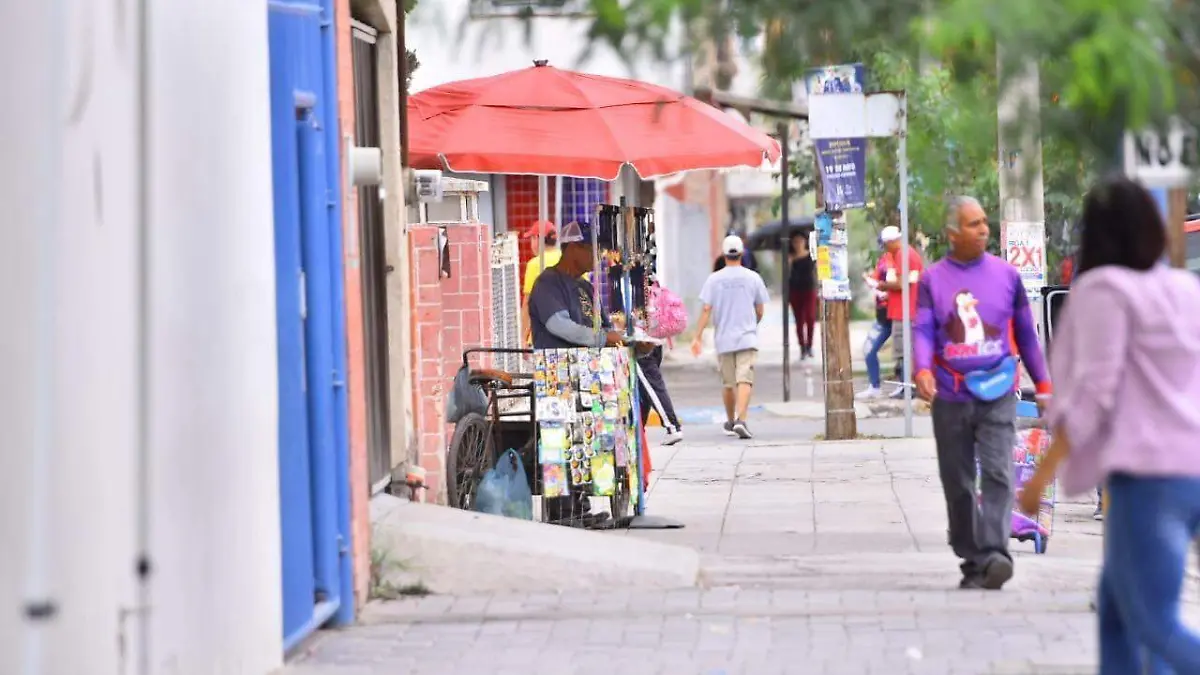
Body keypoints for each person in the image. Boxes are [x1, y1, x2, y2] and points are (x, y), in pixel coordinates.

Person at [1018, 177, 1200, 673]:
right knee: (1117, 614)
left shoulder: (1104, 289)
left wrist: (1040, 476)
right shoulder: (1185, 288)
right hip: (1190, 472)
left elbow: (1096, 394)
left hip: (1149, 478)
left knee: (1153, 621)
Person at [913, 195, 1051, 591]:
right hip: (951, 395)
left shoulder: (1007, 277)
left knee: (997, 472)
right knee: (956, 481)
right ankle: (973, 555)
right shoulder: (932, 280)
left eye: (984, 222)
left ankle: (994, 554)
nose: (984, 229)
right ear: (952, 233)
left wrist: (1044, 385)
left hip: (998, 391)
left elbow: (1026, 333)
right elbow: (923, 329)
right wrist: (922, 369)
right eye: (974, 224)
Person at [527, 220, 623, 526]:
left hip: (586, 377)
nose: (597, 256)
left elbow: (603, 326)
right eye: (592, 249)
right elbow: (559, 325)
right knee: (557, 442)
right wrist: (600, 338)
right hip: (555, 376)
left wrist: (619, 336)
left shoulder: (585, 287)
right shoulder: (547, 284)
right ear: (573, 249)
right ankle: (561, 513)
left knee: (584, 441)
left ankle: (579, 508)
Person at [690, 235, 769, 439]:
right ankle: (741, 420)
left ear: (723, 254)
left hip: (723, 338)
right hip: (747, 337)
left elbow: (707, 309)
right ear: (742, 253)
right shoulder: (753, 278)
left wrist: (697, 336)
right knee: (745, 378)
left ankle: (730, 420)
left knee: (728, 382)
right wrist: (753, 323)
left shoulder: (714, 279)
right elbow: (760, 309)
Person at [876, 225, 924, 398]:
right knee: (903, 351)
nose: (886, 248)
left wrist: (883, 285)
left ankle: (909, 387)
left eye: (886, 244)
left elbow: (903, 284)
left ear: (892, 241)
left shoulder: (906, 255)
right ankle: (906, 385)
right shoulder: (899, 255)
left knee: (905, 351)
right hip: (900, 310)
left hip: (907, 312)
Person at [857, 246, 893, 399]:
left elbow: (891, 287)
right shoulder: (883, 260)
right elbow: (877, 280)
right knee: (868, 349)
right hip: (881, 313)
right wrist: (870, 280)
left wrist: (876, 285)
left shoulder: (894, 261)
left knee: (871, 350)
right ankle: (874, 385)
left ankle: (876, 386)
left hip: (891, 313)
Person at [522, 220, 561, 346]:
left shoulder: (535, 265)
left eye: (532, 239)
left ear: (538, 239)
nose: (531, 244)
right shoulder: (571, 260)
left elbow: (528, 304)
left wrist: (522, 337)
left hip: (543, 337)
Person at [787, 232, 817, 359]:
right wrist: (789, 263)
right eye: (795, 242)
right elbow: (787, 275)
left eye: (800, 241)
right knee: (799, 320)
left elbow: (816, 271)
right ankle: (802, 347)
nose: (798, 244)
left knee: (810, 317)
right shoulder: (790, 258)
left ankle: (810, 345)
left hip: (809, 289)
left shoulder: (811, 256)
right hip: (795, 290)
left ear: (805, 242)